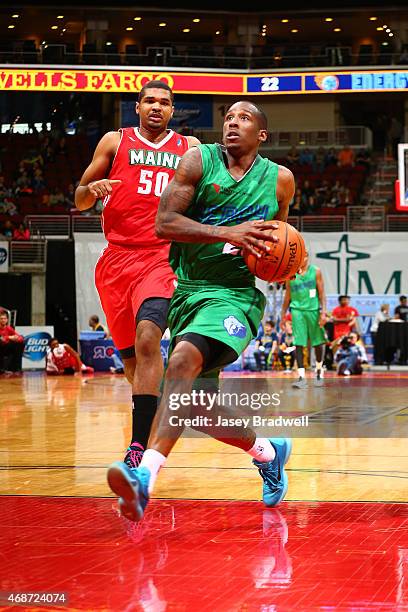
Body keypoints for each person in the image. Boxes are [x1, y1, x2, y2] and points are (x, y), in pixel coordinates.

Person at [107, 99, 296, 522]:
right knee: (195, 407)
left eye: (244, 118)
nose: (232, 123)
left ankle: (144, 479)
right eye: (228, 117)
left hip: (234, 296)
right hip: (187, 291)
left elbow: (280, 238)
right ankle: (268, 452)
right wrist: (229, 232)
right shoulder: (198, 159)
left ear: (261, 135)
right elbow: (164, 224)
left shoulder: (280, 180)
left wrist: (281, 264)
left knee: (181, 360)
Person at [75, 80, 200, 471]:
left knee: (150, 339)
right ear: (138, 106)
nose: (157, 107)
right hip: (116, 262)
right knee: (131, 363)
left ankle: (138, 449)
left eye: (164, 102)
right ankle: (156, 417)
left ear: (172, 109)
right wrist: (91, 189)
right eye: (150, 101)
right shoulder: (115, 142)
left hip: (161, 257)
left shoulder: (189, 148)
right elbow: (79, 201)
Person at [280, 252, 327, 389]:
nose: (303, 259)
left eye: (305, 256)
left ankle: (319, 370)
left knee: (318, 342)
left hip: (313, 310)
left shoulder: (315, 271)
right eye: (301, 256)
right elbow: (287, 296)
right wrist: (283, 315)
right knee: (298, 343)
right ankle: (301, 377)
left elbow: (322, 294)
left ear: (308, 257)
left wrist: (323, 312)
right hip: (297, 311)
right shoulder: (291, 274)